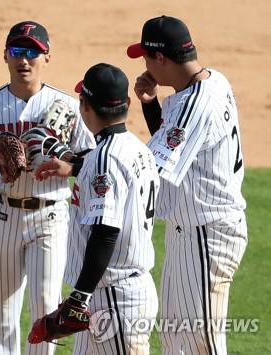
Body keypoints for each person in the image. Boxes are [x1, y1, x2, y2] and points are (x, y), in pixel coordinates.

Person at [0, 21, 95, 354]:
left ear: (47, 57)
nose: (24, 60)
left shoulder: (67, 107)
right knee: (3, 310)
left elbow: (93, 156)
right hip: (4, 215)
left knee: (46, 305)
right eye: (17, 51)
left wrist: (69, 164)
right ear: (5, 56)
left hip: (50, 215)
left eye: (33, 52)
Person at [127, 15, 248, 354]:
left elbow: (152, 167)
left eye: (146, 58)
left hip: (208, 235)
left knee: (202, 344)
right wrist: (150, 104)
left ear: (161, 59)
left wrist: (87, 163)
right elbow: (176, 144)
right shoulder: (211, 82)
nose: (145, 65)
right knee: (175, 339)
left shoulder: (195, 104)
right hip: (190, 232)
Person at [31, 63, 160, 354]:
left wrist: (79, 297)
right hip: (124, 293)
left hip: (113, 298)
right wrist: (74, 165)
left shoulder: (105, 158)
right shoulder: (140, 149)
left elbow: (105, 232)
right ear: (126, 104)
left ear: (84, 105)